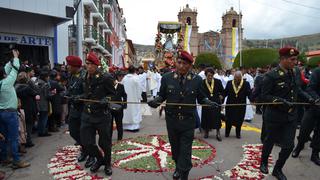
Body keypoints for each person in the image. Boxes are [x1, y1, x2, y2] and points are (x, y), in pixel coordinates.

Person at [148, 50, 219, 180]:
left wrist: (209, 102)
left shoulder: (197, 80)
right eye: (179, 62)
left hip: (188, 122)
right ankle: (178, 167)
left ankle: (184, 173)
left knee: (185, 151)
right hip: (172, 121)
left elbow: (202, 98)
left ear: (190, 65)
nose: (181, 65)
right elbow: (162, 95)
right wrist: (155, 102)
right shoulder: (167, 78)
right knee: (175, 150)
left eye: (184, 63)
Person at [259, 47, 314, 180]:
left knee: (289, 146)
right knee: (269, 141)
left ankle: (277, 169)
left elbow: (297, 90)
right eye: (292, 59)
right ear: (283, 59)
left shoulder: (295, 72)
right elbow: (264, 96)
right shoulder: (271, 75)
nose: (295, 62)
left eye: (295, 59)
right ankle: (264, 162)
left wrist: (310, 98)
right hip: (274, 116)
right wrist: (280, 101)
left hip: (290, 117)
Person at [80, 52, 115, 175]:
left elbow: (113, 95)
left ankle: (108, 163)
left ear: (96, 65)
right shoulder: (85, 76)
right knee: (87, 142)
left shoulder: (106, 77)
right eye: (86, 63)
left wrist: (107, 99)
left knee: (104, 142)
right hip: (87, 114)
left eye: (90, 64)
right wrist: (77, 97)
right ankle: (100, 159)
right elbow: (86, 94)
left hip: (101, 115)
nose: (87, 66)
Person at [0, 50, 30, 168]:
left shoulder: (2, 82)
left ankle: (4, 158)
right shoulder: (7, 82)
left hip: (1, 113)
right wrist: (16, 57)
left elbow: (7, 70)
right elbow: (15, 69)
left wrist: (9, 60)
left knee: (3, 137)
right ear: (3, 74)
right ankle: (16, 161)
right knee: (13, 138)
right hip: (10, 114)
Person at [65, 55, 95, 167]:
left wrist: (79, 97)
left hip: (84, 110)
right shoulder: (72, 76)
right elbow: (71, 88)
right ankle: (85, 149)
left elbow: (89, 93)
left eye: (69, 65)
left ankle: (92, 155)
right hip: (74, 110)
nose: (67, 67)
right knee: (73, 132)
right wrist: (67, 94)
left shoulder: (85, 76)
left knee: (87, 135)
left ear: (74, 66)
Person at [292, 66, 320, 166]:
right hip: (313, 107)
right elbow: (310, 88)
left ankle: (315, 154)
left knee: (319, 133)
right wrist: (317, 99)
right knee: (304, 130)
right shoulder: (317, 72)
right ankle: (299, 147)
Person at [224, 71, 251, 139]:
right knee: (228, 120)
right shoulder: (229, 83)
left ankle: (238, 133)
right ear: (234, 77)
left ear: (241, 78)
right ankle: (227, 133)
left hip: (241, 106)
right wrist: (221, 97)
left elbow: (249, 94)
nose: (237, 80)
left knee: (239, 120)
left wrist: (253, 97)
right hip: (230, 105)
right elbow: (225, 93)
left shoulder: (246, 84)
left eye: (239, 79)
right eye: (236, 78)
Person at [201, 67, 224, 140]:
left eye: (211, 75)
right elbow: (200, 93)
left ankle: (218, 132)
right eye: (208, 75)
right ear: (206, 75)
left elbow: (223, 91)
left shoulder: (218, 82)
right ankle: (206, 131)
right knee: (206, 118)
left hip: (216, 103)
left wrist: (221, 95)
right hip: (207, 103)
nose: (210, 77)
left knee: (217, 118)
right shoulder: (202, 82)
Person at [122, 66, 142, 132]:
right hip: (134, 98)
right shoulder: (136, 78)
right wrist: (139, 96)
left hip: (126, 98)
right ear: (134, 71)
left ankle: (126, 126)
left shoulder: (124, 78)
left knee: (127, 111)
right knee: (134, 111)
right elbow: (139, 88)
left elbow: (121, 87)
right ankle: (134, 127)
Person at [111, 71, 127, 140]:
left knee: (119, 124)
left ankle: (120, 139)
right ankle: (109, 138)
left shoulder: (121, 86)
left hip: (119, 108)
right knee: (109, 125)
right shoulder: (109, 86)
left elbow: (124, 95)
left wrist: (124, 104)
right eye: (121, 76)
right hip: (110, 108)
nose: (122, 78)